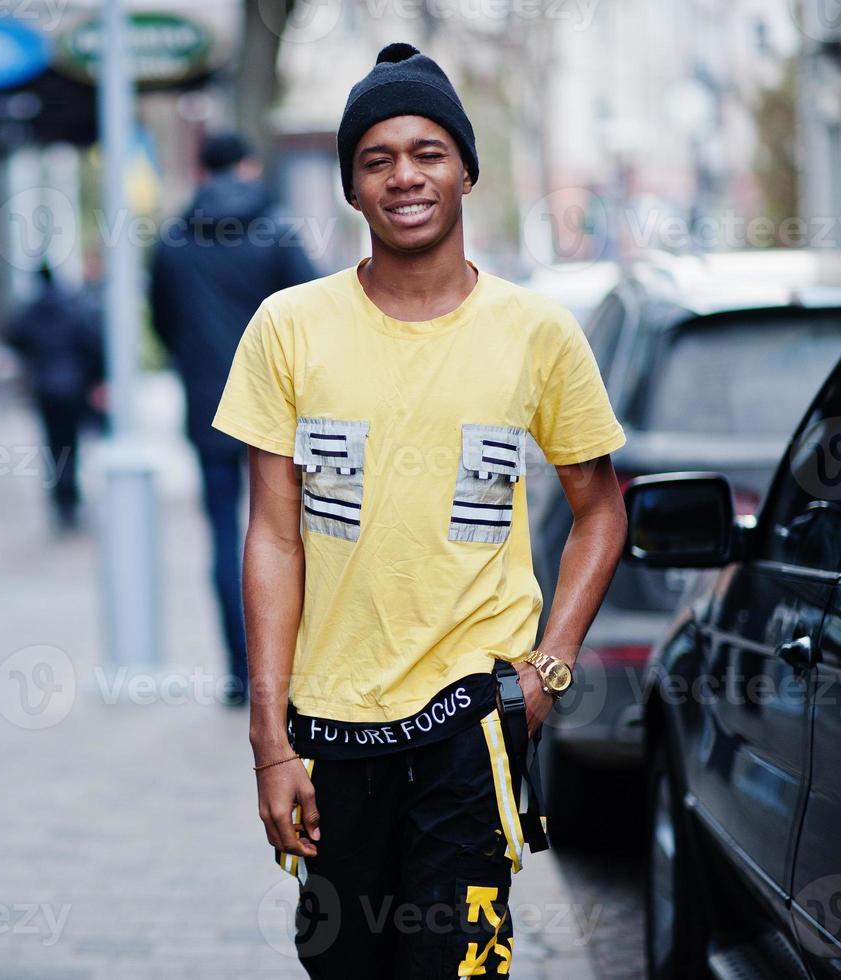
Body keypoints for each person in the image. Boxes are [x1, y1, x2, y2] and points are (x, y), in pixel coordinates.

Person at [211, 44, 629, 976]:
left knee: (458, 968)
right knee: (343, 965)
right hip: (329, 728)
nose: (404, 175)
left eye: (428, 151)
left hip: (472, 722)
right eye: (376, 158)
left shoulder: (537, 332)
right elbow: (272, 537)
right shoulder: (288, 328)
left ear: (466, 170)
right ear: (353, 188)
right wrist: (266, 740)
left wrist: (547, 669)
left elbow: (600, 509)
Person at [148, 132, 319, 706]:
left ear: (201, 170)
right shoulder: (276, 232)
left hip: (209, 409)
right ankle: (290, 670)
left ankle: (240, 672)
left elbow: (162, 323)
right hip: (284, 411)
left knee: (226, 534)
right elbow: (319, 313)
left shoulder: (174, 241)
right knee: (290, 532)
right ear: (246, 166)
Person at [2, 262, 105, 532]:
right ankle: (70, 496)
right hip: (72, 390)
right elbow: (92, 343)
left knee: (55, 448)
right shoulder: (74, 309)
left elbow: (14, 337)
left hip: (47, 391)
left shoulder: (32, 312)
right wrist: (94, 378)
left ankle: (63, 499)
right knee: (71, 445)